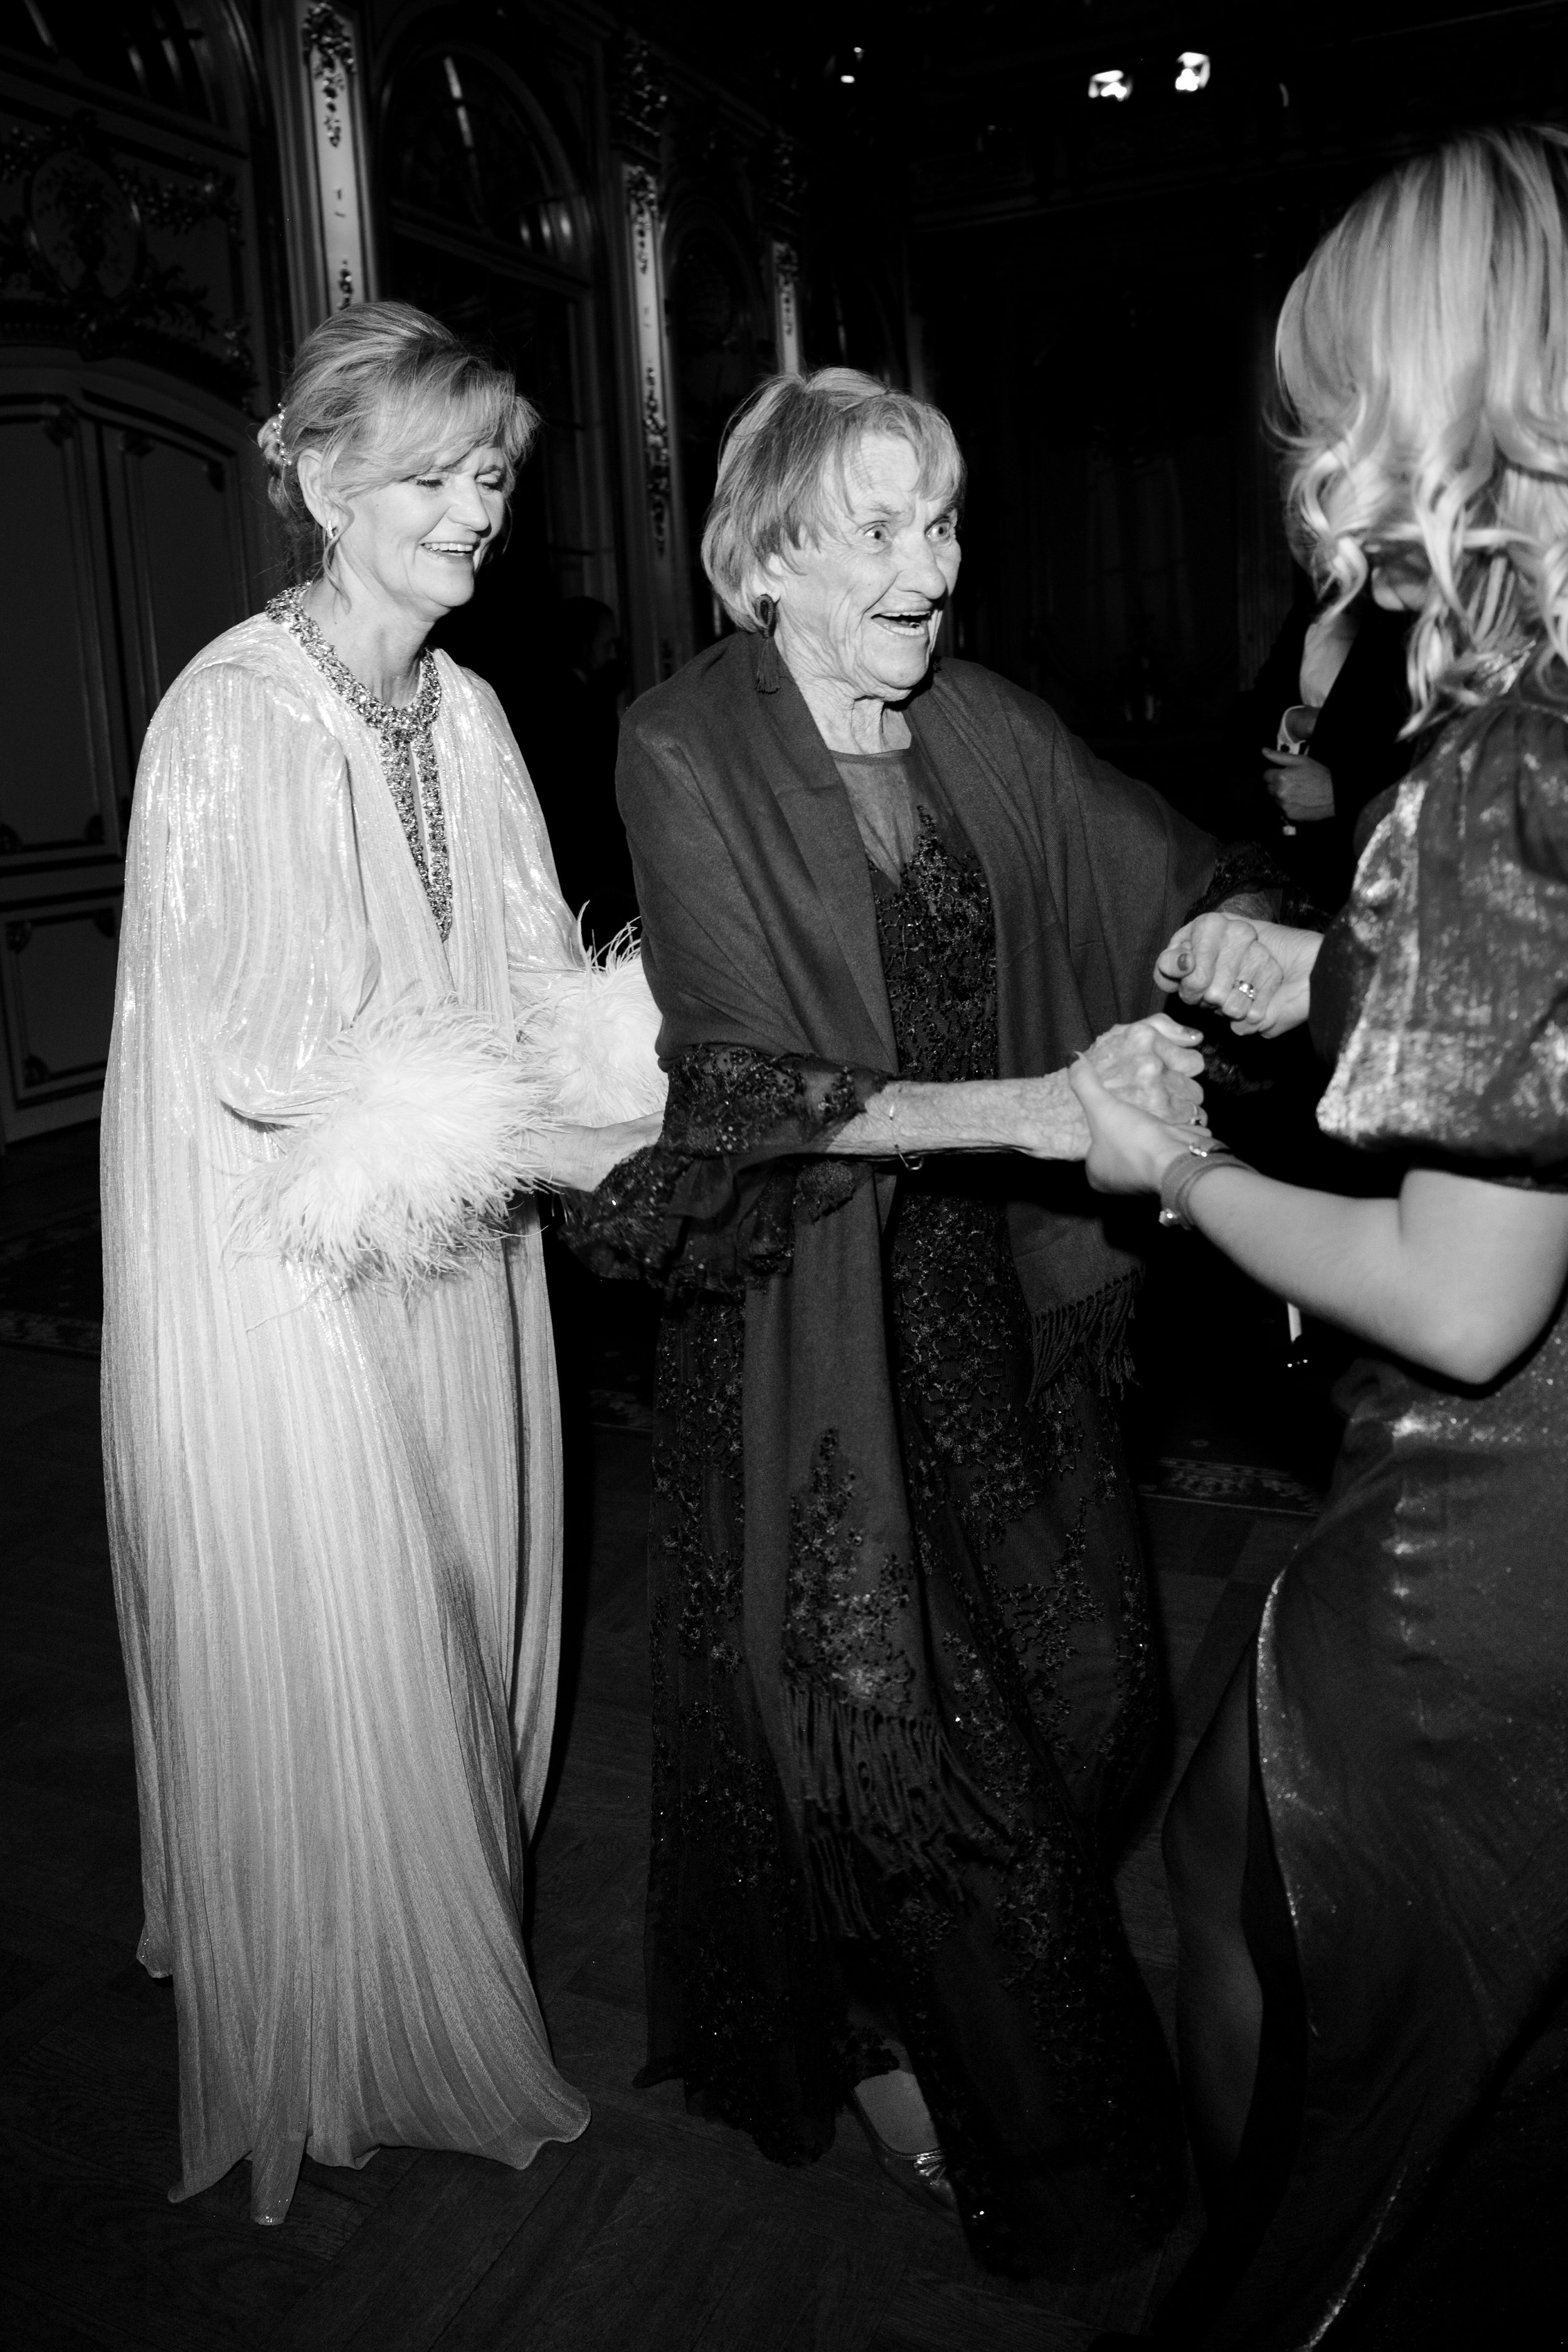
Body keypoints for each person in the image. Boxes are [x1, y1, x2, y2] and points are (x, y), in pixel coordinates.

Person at [571, 366, 1296, 2280]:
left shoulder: (978, 721)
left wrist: (1234, 932)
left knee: (1101, 1690)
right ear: (765, 565)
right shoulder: (682, 750)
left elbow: (1156, 868)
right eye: (878, 529)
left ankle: (885, 1986)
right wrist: (1041, 1109)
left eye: (943, 521)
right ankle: (1053, 2166)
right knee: (924, 1750)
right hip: (814, 1319)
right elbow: (741, 1089)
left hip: (1004, 1305)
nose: (929, 565)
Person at [1073, 127, 1568, 2348]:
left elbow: (1460, 1301)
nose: (1306, 456)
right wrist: (1343, 977)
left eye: (1329, 394)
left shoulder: (1501, 766)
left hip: (1490, 1527)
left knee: (1321, 1957)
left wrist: (1172, 1171)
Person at [101, 301, 664, 2223]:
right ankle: (353, 1991)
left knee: (476, 1596)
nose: (472, 509)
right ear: (322, 478)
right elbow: (263, 1054)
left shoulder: (470, 708)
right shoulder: (234, 712)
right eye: (429, 475)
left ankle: (447, 1918)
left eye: (489, 473)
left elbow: (532, 972)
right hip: (301, 1270)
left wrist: (626, 1088)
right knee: (370, 1630)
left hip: (460, 1243)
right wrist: (520, 1119)